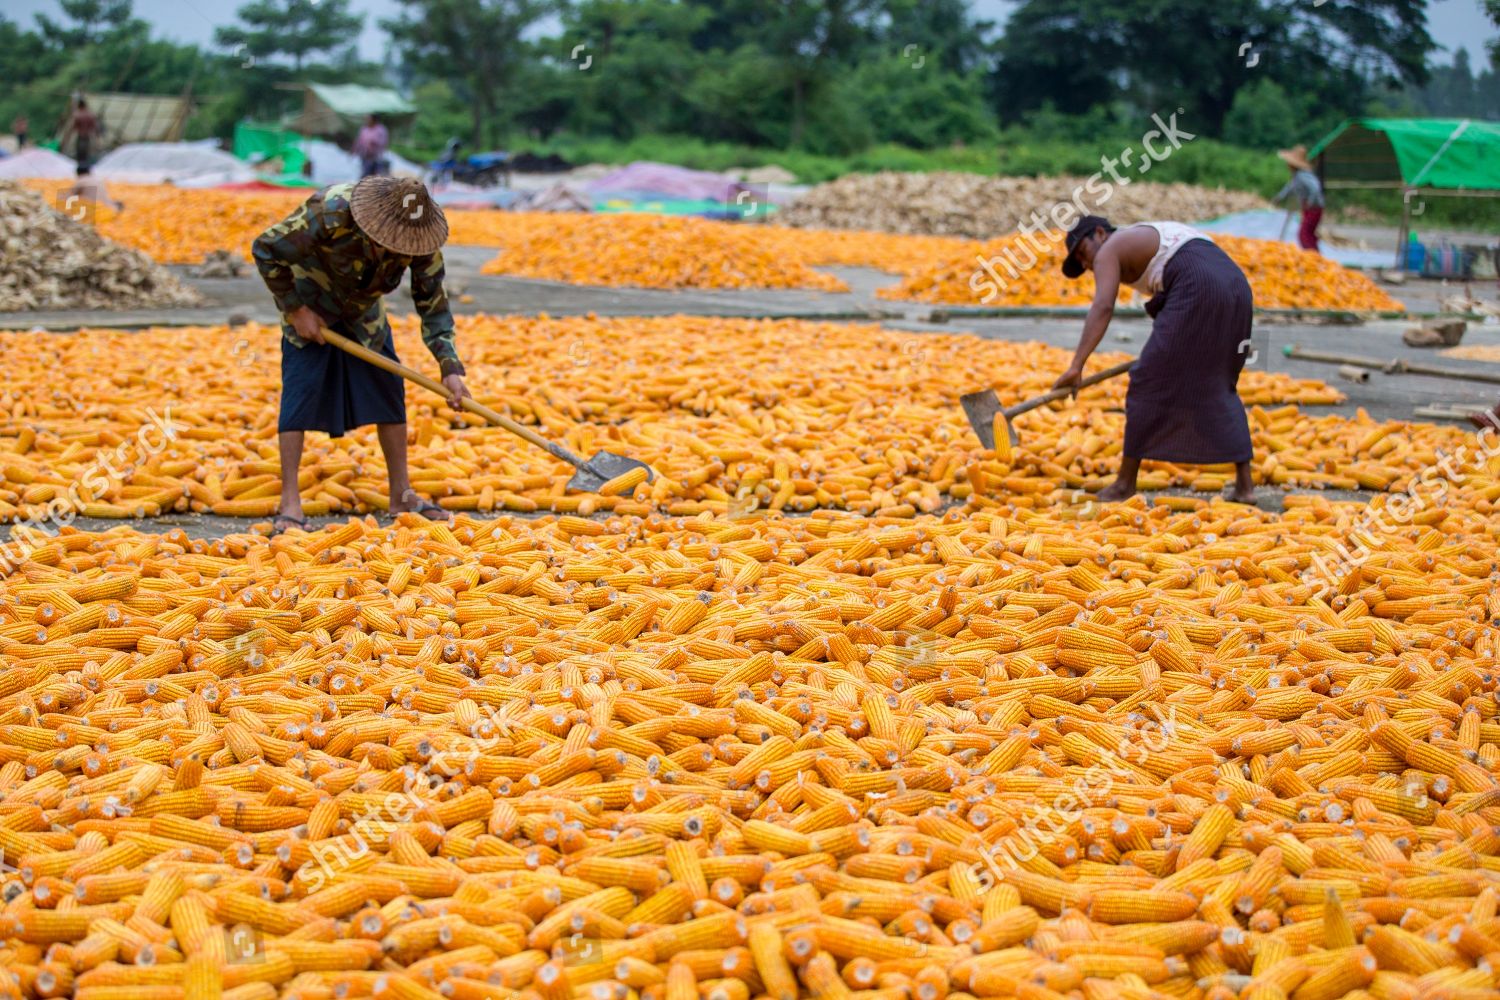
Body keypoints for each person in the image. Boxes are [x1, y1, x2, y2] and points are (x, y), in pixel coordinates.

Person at [252, 176, 471, 534]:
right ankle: (289, 502)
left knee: (389, 390)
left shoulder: (421, 239)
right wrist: (295, 309)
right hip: (312, 302)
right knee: (301, 392)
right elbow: (265, 249)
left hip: (364, 313)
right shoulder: (331, 212)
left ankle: (401, 494)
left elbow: (433, 304)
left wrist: (449, 366)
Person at [1053, 215, 1257, 505]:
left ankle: (1124, 484)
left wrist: (1076, 366)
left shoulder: (1109, 248)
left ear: (1099, 233)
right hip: (1236, 288)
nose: (1087, 264)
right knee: (1216, 382)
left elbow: (1103, 306)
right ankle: (1245, 486)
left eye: (1083, 253)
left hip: (1198, 285)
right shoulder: (1144, 238)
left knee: (1146, 380)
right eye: (1081, 263)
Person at [1273, 145, 1324, 253]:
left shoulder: (1303, 175)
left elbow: (1315, 188)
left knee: (1304, 234)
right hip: (1308, 208)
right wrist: (1279, 197)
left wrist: (1310, 202)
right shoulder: (1296, 176)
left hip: (1314, 208)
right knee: (1308, 233)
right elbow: (1289, 187)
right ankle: (1313, 253)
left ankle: (1313, 255)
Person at [71, 98, 98, 167]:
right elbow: (94, 127)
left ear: (79, 106)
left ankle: (80, 166)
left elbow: (74, 127)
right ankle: (85, 166)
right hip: (87, 136)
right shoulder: (90, 114)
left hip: (80, 136)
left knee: (80, 153)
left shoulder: (77, 115)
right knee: (86, 152)